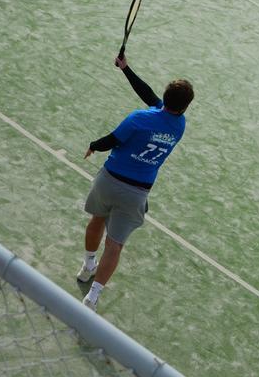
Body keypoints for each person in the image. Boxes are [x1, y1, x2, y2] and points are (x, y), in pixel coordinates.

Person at [78, 55, 194, 311]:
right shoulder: (180, 126)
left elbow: (112, 139)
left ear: (166, 97)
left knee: (97, 220)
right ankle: (93, 296)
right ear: (185, 107)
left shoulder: (139, 118)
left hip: (108, 182)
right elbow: (150, 96)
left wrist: (93, 146)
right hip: (137, 194)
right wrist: (126, 69)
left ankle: (87, 265)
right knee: (115, 244)